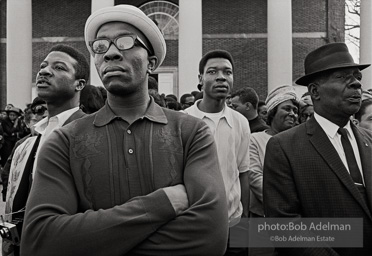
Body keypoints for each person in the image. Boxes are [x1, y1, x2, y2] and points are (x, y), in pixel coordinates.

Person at [21, 5, 228, 256]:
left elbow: (212, 236)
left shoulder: (191, 133)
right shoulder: (64, 141)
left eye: (126, 42)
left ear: (151, 63)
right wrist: (161, 204)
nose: (111, 53)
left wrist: (96, 242)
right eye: (100, 46)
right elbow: (39, 242)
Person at [264, 42, 372, 255]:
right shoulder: (284, 147)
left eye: (357, 77)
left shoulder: (369, 139)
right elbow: (285, 227)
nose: (356, 85)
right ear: (315, 91)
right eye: (342, 77)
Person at [3, 44, 88, 256]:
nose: (44, 71)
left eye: (59, 67)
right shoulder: (29, 142)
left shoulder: (90, 133)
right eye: (43, 66)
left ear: (80, 84)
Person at [184, 49, 250, 255]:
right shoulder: (183, 121)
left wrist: (245, 219)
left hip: (234, 222)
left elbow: (243, 172)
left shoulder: (240, 122)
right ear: (200, 78)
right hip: (193, 225)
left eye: (227, 72)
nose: (221, 77)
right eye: (212, 71)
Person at [1, 97, 47, 202]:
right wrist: (7, 194)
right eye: (35, 121)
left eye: (44, 120)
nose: (39, 124)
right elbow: (7, 171)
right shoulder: (22, 144)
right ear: (27, 123)